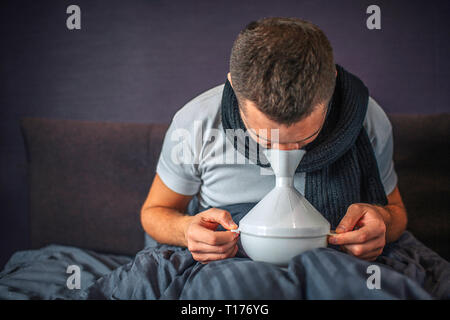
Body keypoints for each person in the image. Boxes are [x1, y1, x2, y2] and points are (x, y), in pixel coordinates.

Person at [140, 17, 407, 264]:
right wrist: (187, 230)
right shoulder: (196, 122)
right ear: (234, 86)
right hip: (228, 268)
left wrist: (382, 221)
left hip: (332, 264)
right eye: (264, 138)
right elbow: (155, 212)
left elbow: (396, 213)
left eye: (304, 138)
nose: (283, 153)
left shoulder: (366, 120)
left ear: (331, 87)